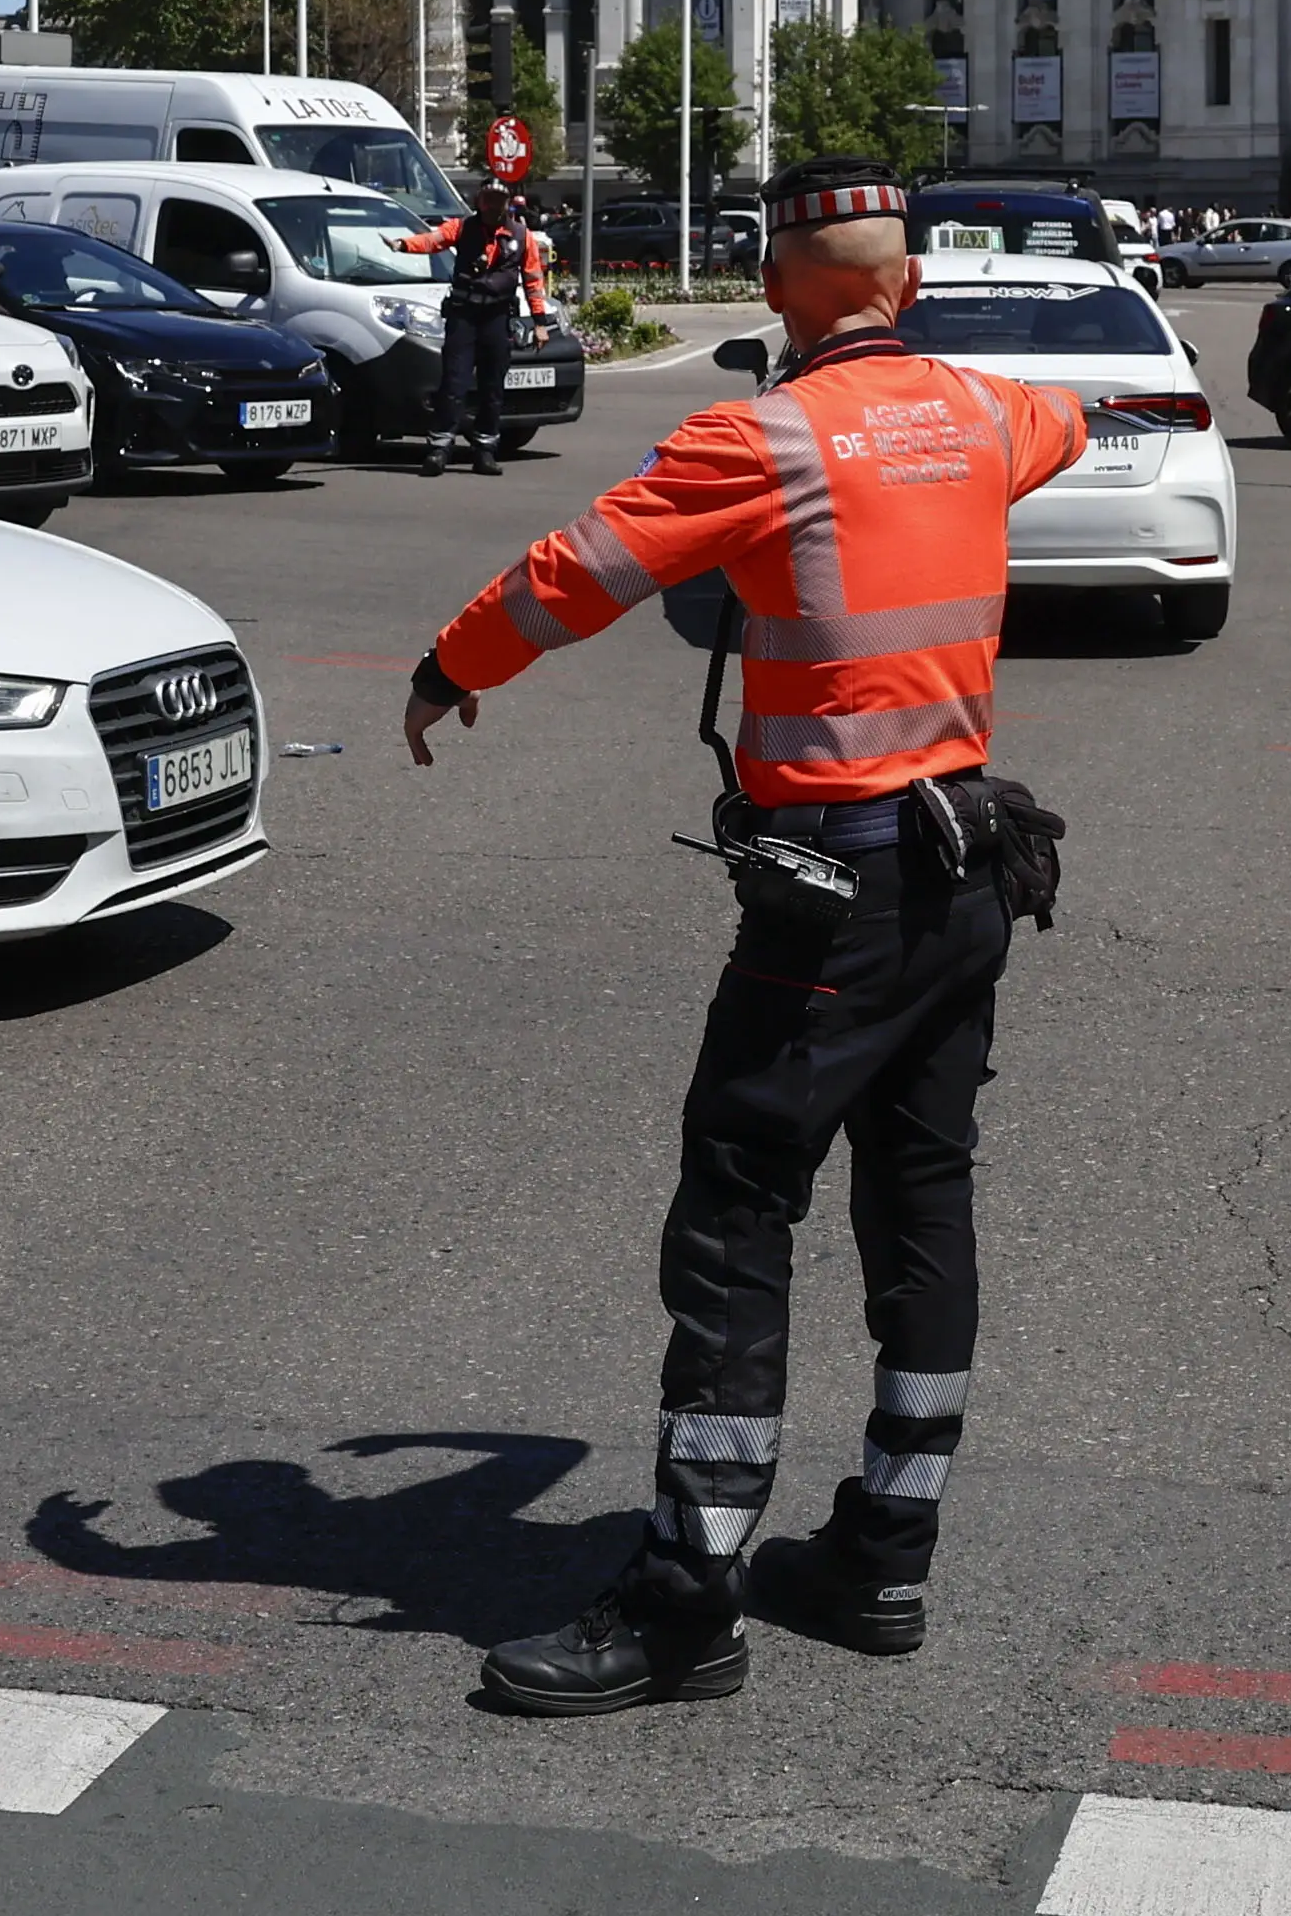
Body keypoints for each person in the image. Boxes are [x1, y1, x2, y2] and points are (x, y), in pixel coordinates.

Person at [402, 156, 1096, 1716]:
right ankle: (883, 1558)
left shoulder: (762, 438)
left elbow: (577, 573)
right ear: (911, 285)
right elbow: (1063, 420)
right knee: (922, 1203)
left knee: (735, 1213)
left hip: (835, 892)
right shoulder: (988, 420)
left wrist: (451, 668)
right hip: (972, 869)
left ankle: (685, 1599)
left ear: (778, 290)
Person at [400, 167, 536, 472]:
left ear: (507, 203)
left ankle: (485, 450)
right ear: (479, 201)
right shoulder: (462, 228)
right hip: (464, 316)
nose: (493, 205)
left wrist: (539, 322)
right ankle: (439, 448)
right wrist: (403, 245)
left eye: (499, 200)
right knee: (454, 383)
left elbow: (533, 280)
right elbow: (433, 240)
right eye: (488, 199)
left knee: (492, 387)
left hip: (497, 317)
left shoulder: (521, 235)